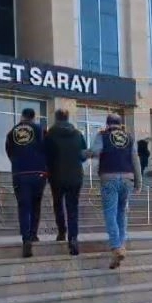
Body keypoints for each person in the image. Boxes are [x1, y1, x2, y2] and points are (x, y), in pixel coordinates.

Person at [88, 114, 142, 269]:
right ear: (120, 124)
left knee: (110, 213)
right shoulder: (129, 137)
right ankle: (121, 246)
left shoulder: (102, 135)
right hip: (127, 179)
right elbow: (135, 160)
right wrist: (139, 182)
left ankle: (116, 247)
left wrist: (86, 153)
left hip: (109, 178)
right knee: (121, 213)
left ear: (107, 124)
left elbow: (96, 151)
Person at [6, 108, 47, 258]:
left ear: (22, 116)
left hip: (20, 174)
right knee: (36, 205)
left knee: (23, 207)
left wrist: (18, 164)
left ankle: (26, 240)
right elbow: (47, 149)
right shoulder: (40, 130)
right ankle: (33, 234)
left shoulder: (12, 132)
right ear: (33, 117)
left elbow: (9, 152)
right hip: (38, 173)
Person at [45, 109, 87, 256]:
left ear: (56, 118)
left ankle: (62, 231)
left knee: (58, 204)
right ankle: (73, 239)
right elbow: (83, 156)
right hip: (75, 177)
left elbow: (45, 155)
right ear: (68, 118)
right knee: (72, 208)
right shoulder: (78, 134)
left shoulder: (50, 135)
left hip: (56, 176)